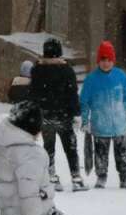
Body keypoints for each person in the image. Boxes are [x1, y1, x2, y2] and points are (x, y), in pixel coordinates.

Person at [0, 101, 86, 215]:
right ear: (31, 128)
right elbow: (30, 197)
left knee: (17, 214)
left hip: (8, 210)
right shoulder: (31, 155)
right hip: (41, 213)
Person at [30, 38, 86, 192]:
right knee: (71, 147)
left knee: (48, 148)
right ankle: (76, 178)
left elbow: (33, 94)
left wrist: (34, 114)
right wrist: (76, 113)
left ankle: (52, 177)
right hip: (64, 115)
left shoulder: (37, 70)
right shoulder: (67, 70)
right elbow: (72, 93)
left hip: (45, 115)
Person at [78, 41, 126, 189]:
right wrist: (85, 120)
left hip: (120, 124)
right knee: (100, 152)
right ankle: (101, 176)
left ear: (113, 60)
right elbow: (84, 102)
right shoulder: (92, 79)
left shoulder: (120, 76)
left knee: (122, 152)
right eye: (103, 60)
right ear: (98, 60)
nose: (106, 63)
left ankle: (125, 176)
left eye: (109, 60)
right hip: (100, 123)